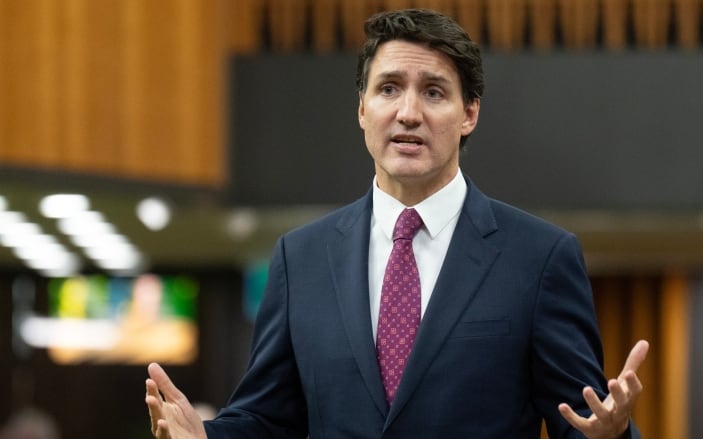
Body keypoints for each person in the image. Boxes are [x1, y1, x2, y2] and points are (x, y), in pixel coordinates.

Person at [146, 8, 648, 438]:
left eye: (434, 92)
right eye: (389, 89)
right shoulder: (300, 259)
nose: (408, 112)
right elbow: (268, 417)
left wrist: (614, 433)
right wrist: (208, 435)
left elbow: (580, 421)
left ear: (469, 112)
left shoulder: (539, 258)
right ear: (363, 108)